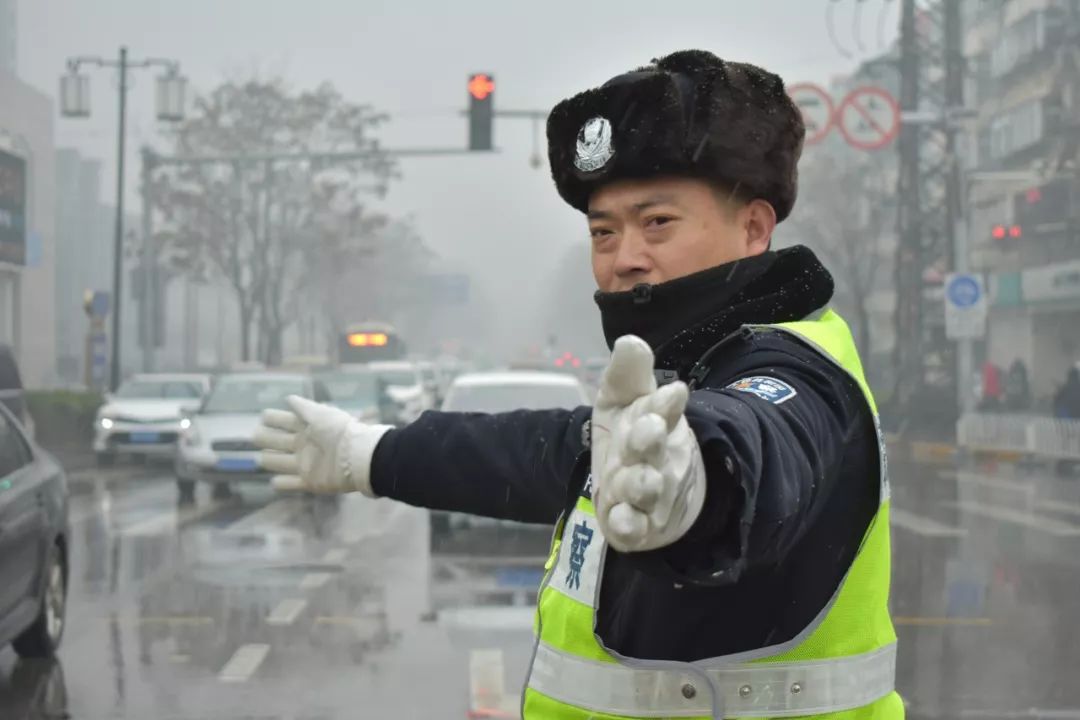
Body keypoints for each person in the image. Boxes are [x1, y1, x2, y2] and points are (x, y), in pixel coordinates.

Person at [254, 50, 900, 720]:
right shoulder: (683, 373)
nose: (624, 259)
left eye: (657, 223)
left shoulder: (799, 371)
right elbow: (536, 451)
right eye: (602, 231)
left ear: (754, 228)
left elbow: (761, 442)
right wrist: (370, 453)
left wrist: (701, 484)